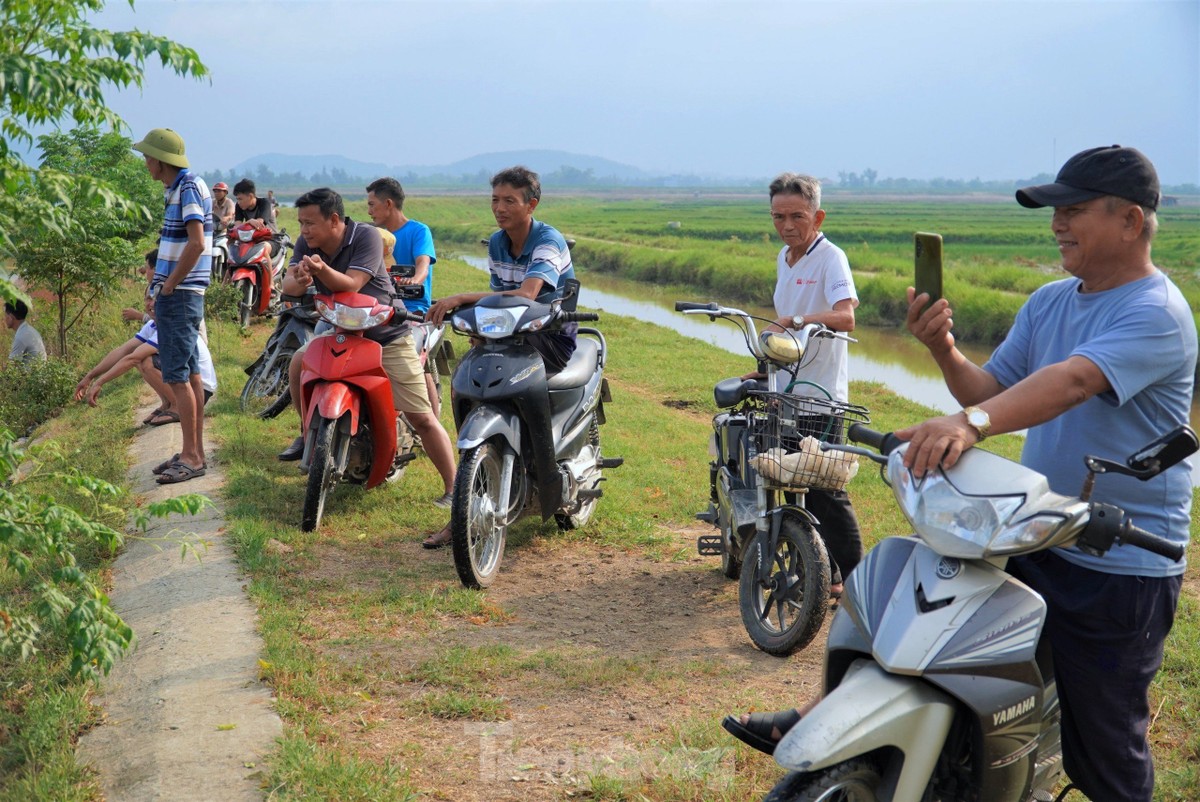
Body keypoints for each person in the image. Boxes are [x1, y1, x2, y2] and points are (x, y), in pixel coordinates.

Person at [726, 147, 1197, 802]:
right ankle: (829, 714)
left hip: (1116, 557)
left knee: (1105, 752)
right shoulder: (1050, 301)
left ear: (1130, 221)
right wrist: (942, 348)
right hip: (1035, 533)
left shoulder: (1156, 312)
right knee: (941, 644)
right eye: (1055, 211)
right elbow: (991, 385)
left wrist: (970, 423)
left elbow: (1074, 380)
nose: (1058, 223)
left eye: (1075, 210)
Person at [275, 188, 458, 546]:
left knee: (421, 416)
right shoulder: (305, 243)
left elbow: (352, 283)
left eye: (310, 223)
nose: (305, 230)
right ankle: (306, 431)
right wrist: (298, 278)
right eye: (301, 223)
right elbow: (288, 287)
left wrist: (321, 268)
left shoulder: (367, 237)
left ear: (334, 220)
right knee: (299, 364)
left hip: (386, 333)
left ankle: (454, 487)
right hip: (340, 328)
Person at [757, 172, 863, 602]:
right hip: (785, 389)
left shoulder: (830, 257)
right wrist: (762, 363)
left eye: (797, 216)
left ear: (817, 216)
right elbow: (783, 324)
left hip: (820, 395)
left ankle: (856, 582)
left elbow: (846, 317)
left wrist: (798, 321)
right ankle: (823, 571)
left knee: (825, 490)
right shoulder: (785, 257)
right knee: (788, 478)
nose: (787, 225)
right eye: (778, 216)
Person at [426, 166, 576, 373]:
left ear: (531, 205)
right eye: (495, 200)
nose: (499, 208)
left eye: (509, 201)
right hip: (513, 329)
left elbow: (526, 295)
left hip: (551, 334)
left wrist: (461, 298)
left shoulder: (547, 241)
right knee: (469, 373)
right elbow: (500, 300)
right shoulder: (497, 242)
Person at [132, 127, 212, 485]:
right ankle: (190, 451)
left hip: (180, 296)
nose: (145, 163)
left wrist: (170, 286)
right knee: (189, 374)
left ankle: (193, 457)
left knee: (178, 378)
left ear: (160, 160)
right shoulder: (175, 189)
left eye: (148, 157)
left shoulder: (188, 187)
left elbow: (195, 244)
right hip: (175, 295)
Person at [76, 288, 217, 422]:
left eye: (156, 299)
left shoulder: (169, 326)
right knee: (140, 357)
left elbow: (131, 359)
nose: (152, 303)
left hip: (199, 390)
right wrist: (90, 376)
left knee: (145, 359)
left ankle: (177, 407)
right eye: (148, 299)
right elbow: (123, 351)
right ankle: (167, 402)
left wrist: (99, 382)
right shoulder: (152, 325)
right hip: (188, 386)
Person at [366, 177, 442, 415]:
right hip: (377, 308)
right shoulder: (371, 235)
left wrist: (414, 281)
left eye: (372, 205)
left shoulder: (418, 231)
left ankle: (429, 420)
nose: (368, 211)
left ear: (388, 204)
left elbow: (423, 264)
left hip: (412, 309)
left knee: (412, 360)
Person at [232, 178, 283, 261]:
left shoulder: (264, 203)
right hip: (251, 240)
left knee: (263, 249)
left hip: (271, 240)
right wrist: (249, 222)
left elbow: (259, 224)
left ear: (251, 196)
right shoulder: (239, 206)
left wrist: (247, 223)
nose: (238, 202)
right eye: (237, 199)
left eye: (240, 199)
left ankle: (269, 274)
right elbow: (237, 226)